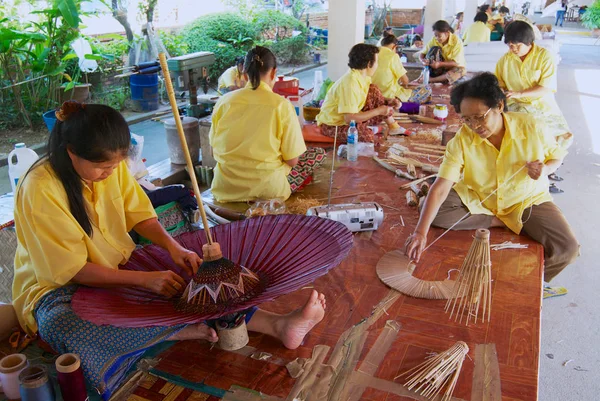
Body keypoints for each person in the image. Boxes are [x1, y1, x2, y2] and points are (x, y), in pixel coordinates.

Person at [12, 101, 328, 399]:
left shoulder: (110, 164)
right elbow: (74, 270)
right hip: (58, 290)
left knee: (200, 276)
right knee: (64, 326)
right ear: (71, 153)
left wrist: (173, 247)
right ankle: (179, 330)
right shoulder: (40, 189)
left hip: (120, 264)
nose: (110, 172)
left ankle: (277, 324)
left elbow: (139, 212)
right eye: (102, 167)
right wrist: (143, 281)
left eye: (116, 164)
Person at [404, 73, 579, 297]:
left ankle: (535, 285)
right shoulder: (461, 139)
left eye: (479, 117)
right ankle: (502, 222)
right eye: (466, 119)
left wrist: (545, 169)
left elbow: (556, 157)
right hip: (480, 198)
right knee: (431, 211)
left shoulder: (531, 126)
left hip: (525, 199)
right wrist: (420, 233)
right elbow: (441, 187)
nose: (474, 126)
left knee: (567, 249)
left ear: (499, 105)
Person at [210, 46, 325, 202]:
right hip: (269, 191)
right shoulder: (281, 105)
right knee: (317, 154)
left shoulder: (223, 102)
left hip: (226, 189)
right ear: (273, 73)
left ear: (244, 73)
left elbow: (212, 151)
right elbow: (292, 160)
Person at [495, 21, 572, 191]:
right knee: (529, 137)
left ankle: (548, 169)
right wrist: (503, 94)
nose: (512, 49)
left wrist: (519, 93)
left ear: (529, 43)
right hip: (516, 105)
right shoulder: (505, 60)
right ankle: (535, 175)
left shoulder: (545, 57)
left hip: (542, 103)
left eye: (516, 46)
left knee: (561, 135)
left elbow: (545, 88)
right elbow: (499, 84)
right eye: (509, 45)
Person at [316, 43, 402, 143]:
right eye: (376, 62)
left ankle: (393, 127)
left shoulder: (362, 76)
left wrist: (388, 101)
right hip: (333, 125)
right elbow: (349, 118)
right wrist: (378, 111)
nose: (377, 66)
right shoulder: (350, 83)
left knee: (373, 90)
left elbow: (368, 97)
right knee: (366, 137)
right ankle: (371, 129)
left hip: (352, 118)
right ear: (369, 64)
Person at [419, 20, 467, 84]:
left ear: (447, 33)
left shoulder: (457, 42)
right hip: (439, 68)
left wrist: (439, 64)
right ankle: (430, 77)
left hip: (454, 67)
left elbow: (456, 63)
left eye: (439, 36)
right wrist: (423, 61)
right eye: (435, 35)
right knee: (434, 49)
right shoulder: (434, 39)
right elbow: (422, 53)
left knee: (460, 71)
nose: (437, 38)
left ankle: (431, 80)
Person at [372, 32, 413, 102]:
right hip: (388, 96)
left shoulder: (372, 53)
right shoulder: (393, 56)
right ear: (394, 47)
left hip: (371, 94)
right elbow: (405, 81)